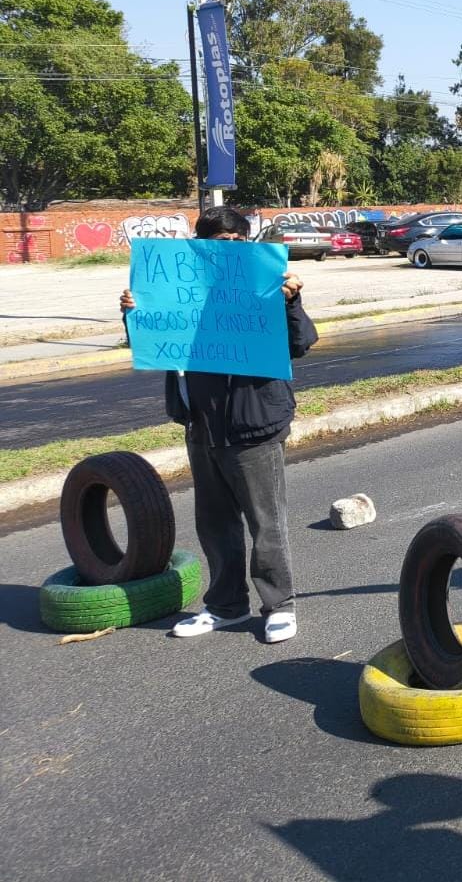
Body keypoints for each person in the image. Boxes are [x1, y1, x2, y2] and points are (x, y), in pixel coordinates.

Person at [118, 206, 320, 643]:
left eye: (236, 241)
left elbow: (301, 344)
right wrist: (137, 312)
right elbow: (156, 345)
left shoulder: (262, 287)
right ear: (200, 245)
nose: (228, 248)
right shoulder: (177, 286)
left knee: (265, 523)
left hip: (253, 425)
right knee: (215, 523)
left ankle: (279, 606)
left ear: (245, 244)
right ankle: (226, 606)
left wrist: (291, 302)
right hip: (201, 426)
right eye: (217, 241)